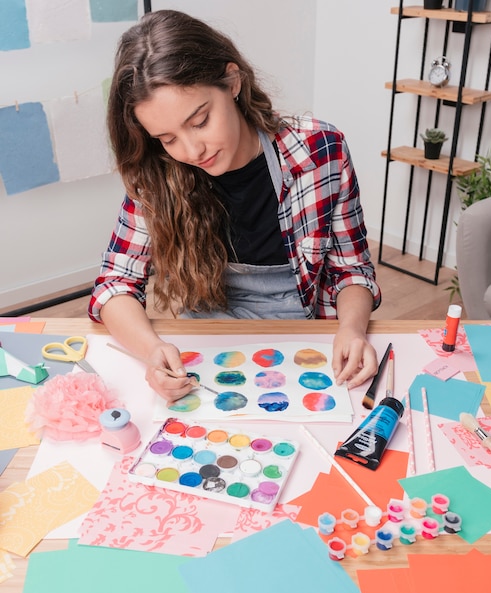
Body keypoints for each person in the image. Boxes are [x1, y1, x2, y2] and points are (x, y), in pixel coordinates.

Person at [89, 9, 381, 404]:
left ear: (232, 82)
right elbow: (114, 284)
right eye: (167, 138)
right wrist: (151, 350)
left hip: (304, 335)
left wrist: (352, 328)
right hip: (208, 343)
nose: (192, 151)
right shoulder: (156, 175)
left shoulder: (318, 150)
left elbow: (352, 268)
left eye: (200, 121)